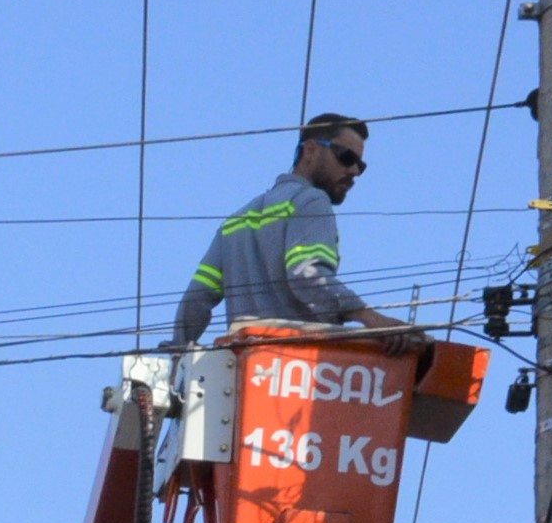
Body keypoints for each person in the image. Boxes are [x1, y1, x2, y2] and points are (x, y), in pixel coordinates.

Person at [170, 114, 418, 350]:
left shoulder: (235, 222)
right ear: (310, 150)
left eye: (360, 165)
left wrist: (180, 353)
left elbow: (197, 297)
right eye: (346, 157)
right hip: (301, 365)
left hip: (245, 367)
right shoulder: (311, 200)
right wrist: (371, 318)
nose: (353, 170)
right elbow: (305, 275)